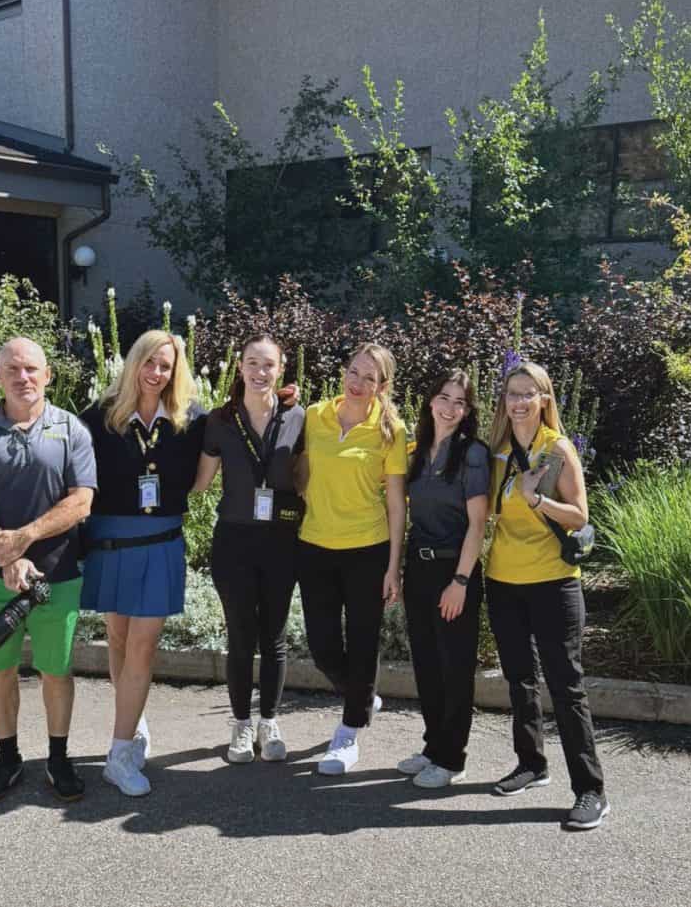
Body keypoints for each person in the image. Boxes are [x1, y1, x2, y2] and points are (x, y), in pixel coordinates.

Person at [0, 337, 97, 803]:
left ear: (47, 375)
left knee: (57, 671)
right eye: (12, 369)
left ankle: (58, 759)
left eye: (31, 368)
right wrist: (9, 556)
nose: (22, 377)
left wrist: (25, 537)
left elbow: (81, 501)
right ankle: (8, 759)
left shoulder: (71, 429)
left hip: (57, 577)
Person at [79, 329, 205, 797]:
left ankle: (117, 755)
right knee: (117, 637)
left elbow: (231, 439)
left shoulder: (192, 419)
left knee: (143, 646)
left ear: (176, 371)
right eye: (149, 362)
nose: (156, 372)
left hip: (161, 541)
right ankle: (133, 721)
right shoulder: (99, 416)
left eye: (165, 366)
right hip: (110, 541)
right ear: (134, 363)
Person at [486, 360, 608, 830]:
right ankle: (531, 764)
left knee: (566, 686)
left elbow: (579, 516)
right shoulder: (497, 451)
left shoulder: (556, 448)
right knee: (519, 679)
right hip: (503, 580)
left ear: (544, 400)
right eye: (511, 394)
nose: (518, 402)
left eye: (527, 394)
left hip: (553, 582)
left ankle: (591, 790)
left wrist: (537, 499)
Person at [296, 342, 407, 775]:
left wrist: (393, 566)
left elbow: (396, 502)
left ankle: (349, 732)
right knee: (322, 647)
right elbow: (298, 472)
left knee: (363, 642)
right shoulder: (315, 415)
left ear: (383, 386)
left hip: (367, 548)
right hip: (315, 545)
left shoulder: (391, 430)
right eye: (354, 372)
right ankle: (362, 695)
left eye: (370, 378)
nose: (358, 383)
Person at [193, 334, 305, 764]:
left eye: (268, 364)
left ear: (281, 369)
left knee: (274, 636)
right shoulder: (220, 420)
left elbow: (309, 475)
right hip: (235, 541)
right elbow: (201, 482)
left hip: (282, 541)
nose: (260, 372)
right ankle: (241, 724)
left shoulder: (298, 417)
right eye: (252, 363)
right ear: (239, 366)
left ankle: (269, 722)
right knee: (241, 635)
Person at [397, 369, 489, 788]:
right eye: (444, 398)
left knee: (454, 668)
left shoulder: (472, 454)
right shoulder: (417, 451)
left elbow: (477, 525)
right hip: (420, 568)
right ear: (430, 401)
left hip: (455, 571)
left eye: (460, 402)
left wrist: (461, 582)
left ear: (468, 411)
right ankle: (434, 747)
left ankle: (453, 758)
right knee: (427, 664)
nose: (450, 408)